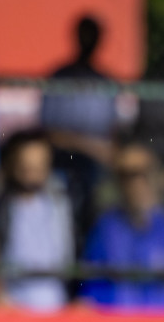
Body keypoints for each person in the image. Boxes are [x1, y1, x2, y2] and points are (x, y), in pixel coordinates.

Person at [80, 143, 164, 308]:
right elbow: (91, 291)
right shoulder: (105, 229)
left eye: (142, 174)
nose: (136, 184)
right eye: (126, 175)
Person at [41, 15, 121, 239]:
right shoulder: (59, 78)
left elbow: (112, 139)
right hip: (62, 167)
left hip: (95, 173)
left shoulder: (106, 83)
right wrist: (91, 146)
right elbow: (51, 134)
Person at [0, 128, 75, 310]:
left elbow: (70, 257)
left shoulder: (63, 202)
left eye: (39, 166)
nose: (32, 173)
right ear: (12, 165)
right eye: (26, 166)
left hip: (57, 306)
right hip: (13, 306)